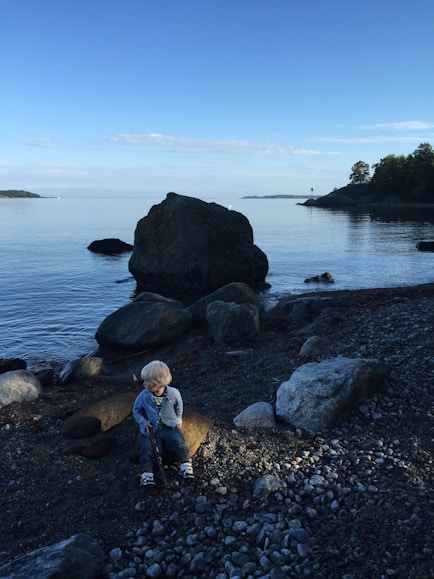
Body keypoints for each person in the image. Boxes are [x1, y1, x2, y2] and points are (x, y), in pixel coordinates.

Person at [133, 360, 194, 486]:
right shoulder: (143, 396)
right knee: (147, 449)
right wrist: (143, 422)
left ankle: (185, 465)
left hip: (170, 426)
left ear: (158, 383)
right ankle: (146, 473)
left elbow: (179, 407)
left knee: (180, 444)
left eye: (147, 381)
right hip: (150, 427)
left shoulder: (174, 393)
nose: (143, 383)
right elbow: (136, 411)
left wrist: (178, 419)